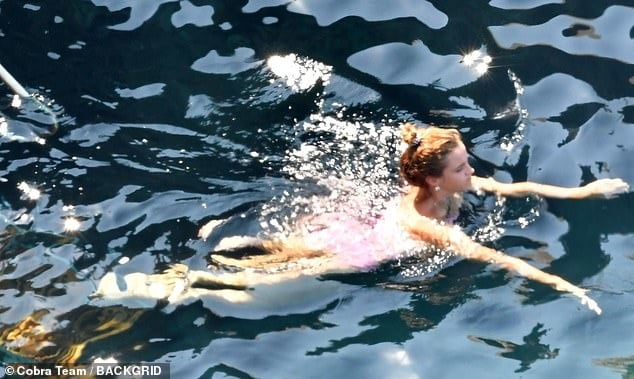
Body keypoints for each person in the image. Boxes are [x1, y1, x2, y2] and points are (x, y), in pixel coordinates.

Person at [194, 123, 628, 314]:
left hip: (360, 224)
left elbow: (518, 189)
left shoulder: (451, 186)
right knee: (288, 270)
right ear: (436, 181)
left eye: (466, 163)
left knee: (299, 249)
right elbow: (498, 259)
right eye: (461, 168)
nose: (472, 171)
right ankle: (212, 277)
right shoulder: (425, 225)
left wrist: (584, 191)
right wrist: (565, 285)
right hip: (366, 248)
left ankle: (228, 240)